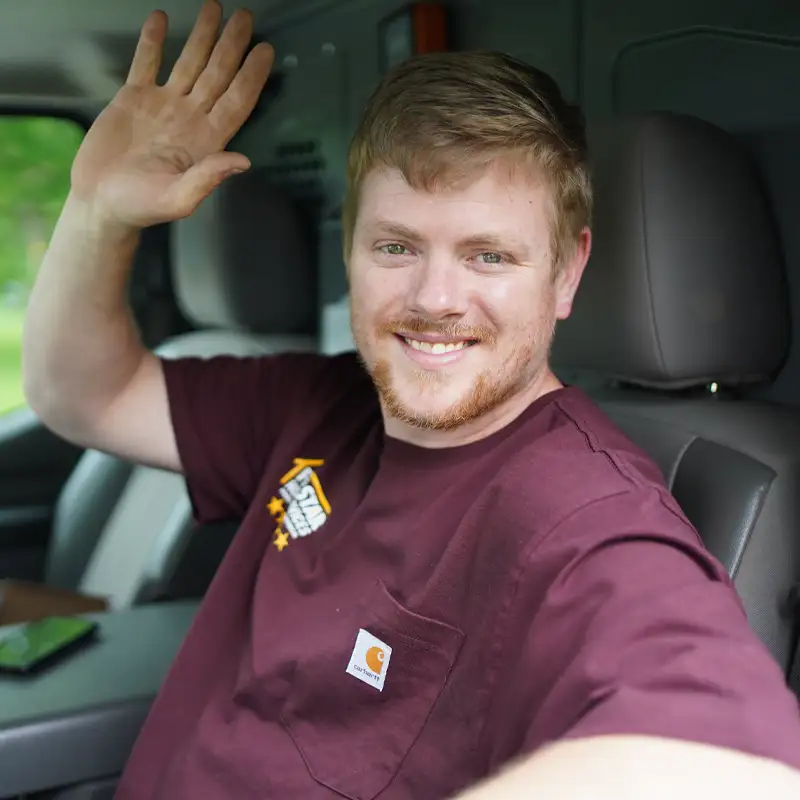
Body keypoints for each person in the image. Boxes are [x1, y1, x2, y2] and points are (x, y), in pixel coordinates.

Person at [21, 1, 800, 798]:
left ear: (567, 273)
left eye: (488, 256)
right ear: (352, 250)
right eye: (396, 247)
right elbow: (85, 393)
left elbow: (728, 765)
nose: (435, 298)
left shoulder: (584, 515)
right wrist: (97, 214)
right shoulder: (318, 399)